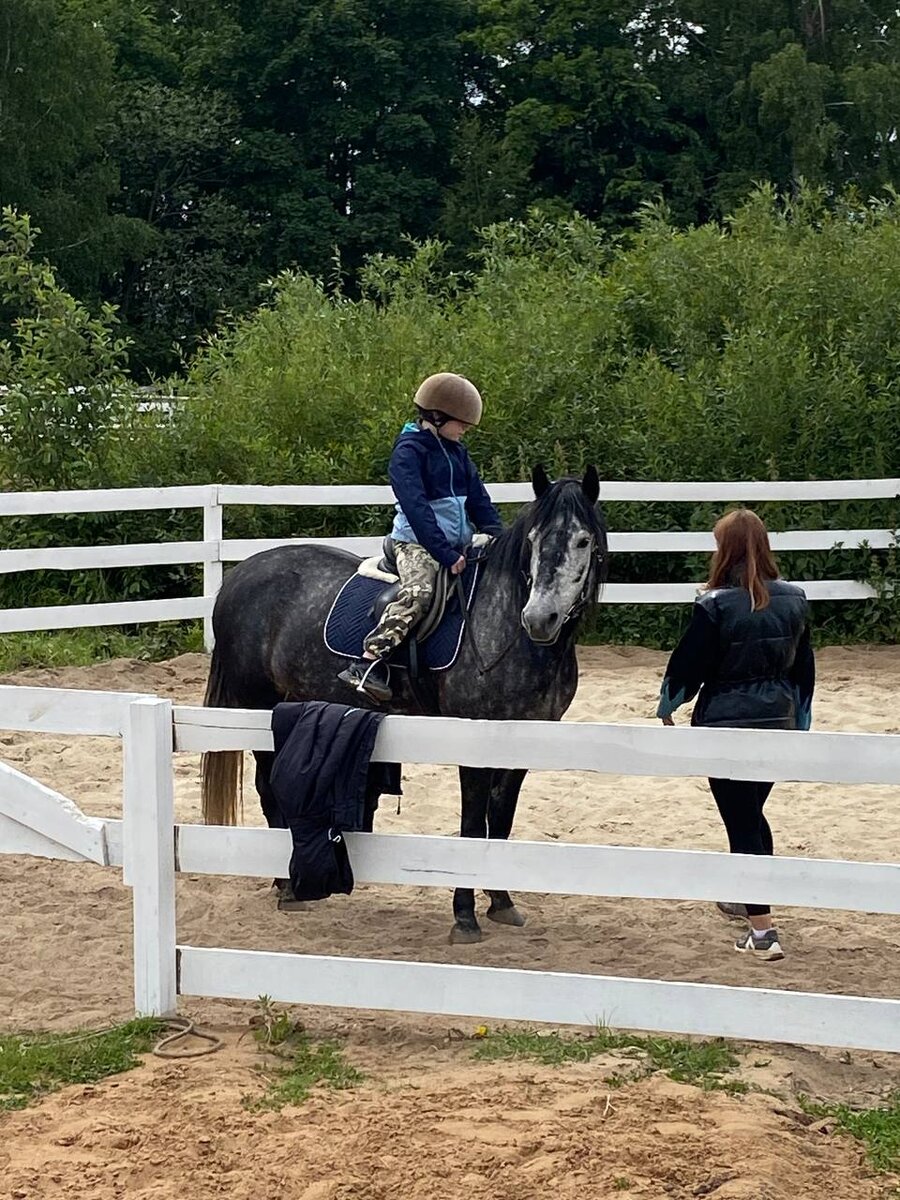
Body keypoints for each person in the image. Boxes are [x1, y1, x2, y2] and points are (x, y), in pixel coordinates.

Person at [655, 508, 815, 962]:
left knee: (741, 820)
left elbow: (690, 664)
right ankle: (747, 895)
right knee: (752, 812)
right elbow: (804, 668)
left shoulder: (715, 604)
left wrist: (669, 705)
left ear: (724, 550)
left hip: (726, 722)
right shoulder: (795, 599)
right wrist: (800, 720)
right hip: (778, 720)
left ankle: (762, 930)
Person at [338, 372, 503, 703]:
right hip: (415, 543)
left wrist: (500, 536)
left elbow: (479, 500)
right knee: (419, 592)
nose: (465, 430)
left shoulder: (458, 452)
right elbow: (417, 510)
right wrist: (444, 553)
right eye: (462, 424)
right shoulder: (409, 452)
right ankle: (368, 662)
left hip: (457, 543)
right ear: (437, 417)